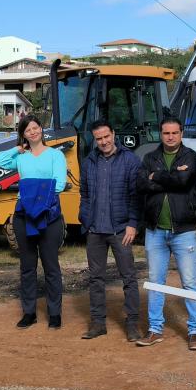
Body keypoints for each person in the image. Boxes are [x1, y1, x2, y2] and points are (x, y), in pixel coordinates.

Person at [0, 115, 67, 330]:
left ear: (41, 130)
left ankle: (55, 313)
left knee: (51, 266)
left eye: (36, 128)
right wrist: (17, 149)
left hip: (48, 215)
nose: (33, 132)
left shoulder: (55, 155)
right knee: (27, 266)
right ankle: (29, 313)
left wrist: (34, 196)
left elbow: (59, 184)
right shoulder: (21, 157)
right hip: (23, 215)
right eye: (28, 130)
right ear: (23, 135)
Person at [136, 117, 196, 350]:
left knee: (190, 282)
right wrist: (170, 177)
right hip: (155, 231)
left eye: (175, 133)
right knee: (155, 282)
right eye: (166, 133)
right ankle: (155, 329)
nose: (170, 137)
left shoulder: (190, 156)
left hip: (183, 230)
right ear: (160, 134)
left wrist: (157, 176)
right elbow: (141, 184)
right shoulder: (149, 157)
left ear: (181, 134)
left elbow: (184, 182)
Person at [78, 119, 142, 340]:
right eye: (98, 138)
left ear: (114, 134)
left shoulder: (130, 160)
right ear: (94, 140)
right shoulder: (88, 162)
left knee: (129, 278)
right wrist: (84, 219)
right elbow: (84, 194)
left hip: (121, 230)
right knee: (95, 278)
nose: (103, 141)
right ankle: (98, 323)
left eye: (106, 136)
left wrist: (133, 224)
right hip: (95, 230)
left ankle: (132, 323)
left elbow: (136, 196)